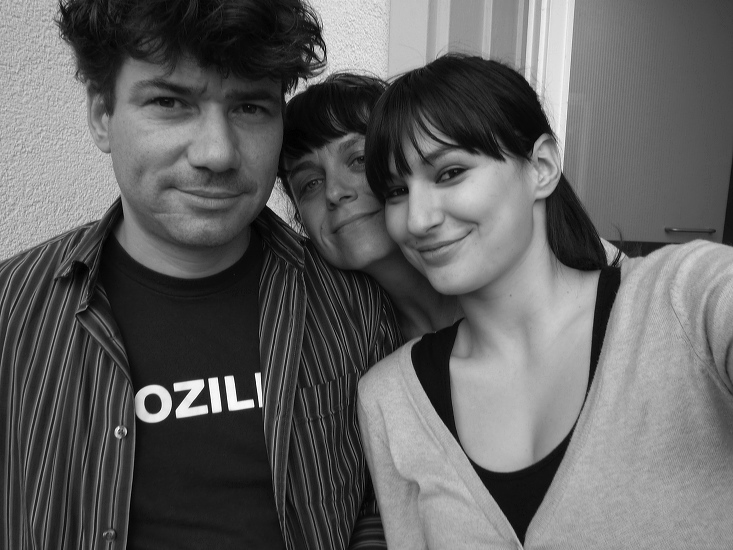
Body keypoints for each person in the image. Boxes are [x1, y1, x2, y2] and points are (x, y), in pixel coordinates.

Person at [0, 1, 400, 549]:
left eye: (250, 107)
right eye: (170, 102)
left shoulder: (355, 306)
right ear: (101, 115)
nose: (217, 153)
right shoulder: (11, 312)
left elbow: (381, 497)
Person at [357, 54, 733, 548]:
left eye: (449, 173)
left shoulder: (682, 299)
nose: (417, 220)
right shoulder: (389, 399)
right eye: (396, 191)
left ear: (541, 167)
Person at [279, 73, 461, 339]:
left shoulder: (503, 297)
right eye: (311, 183)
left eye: (359, 160)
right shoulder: (331, 344)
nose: (334, 192)